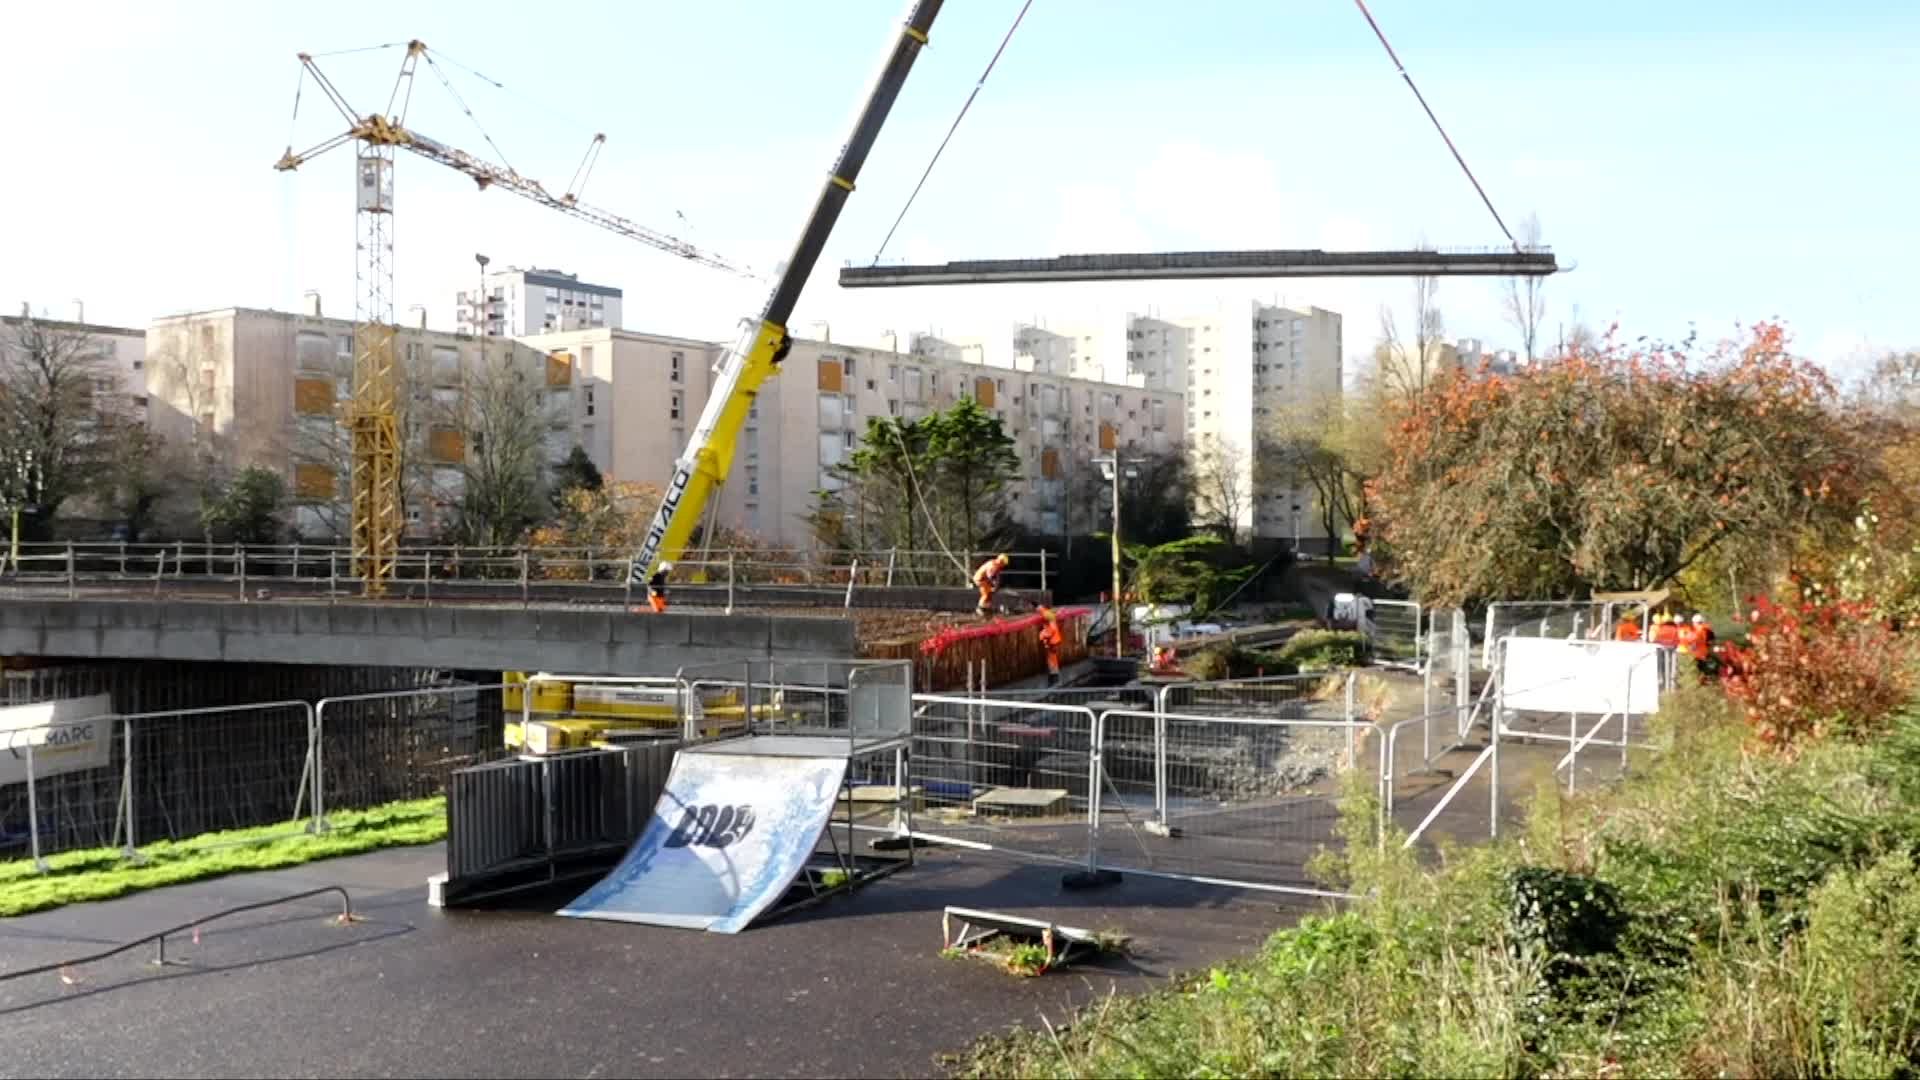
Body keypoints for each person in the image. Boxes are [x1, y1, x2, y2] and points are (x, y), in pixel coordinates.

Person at [1037, 606, 1064, 686]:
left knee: (1051, 660)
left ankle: (1054, 678)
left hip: (1052, 642)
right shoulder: (1051, 618)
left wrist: (1042, 635)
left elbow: (1049, 632)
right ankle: (1054, 677)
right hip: (1053, 642)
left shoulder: (1050, 620)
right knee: (1052, 660)